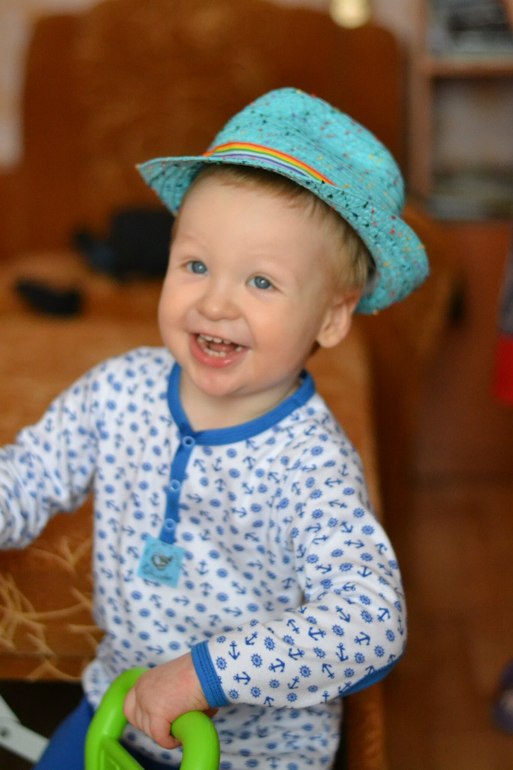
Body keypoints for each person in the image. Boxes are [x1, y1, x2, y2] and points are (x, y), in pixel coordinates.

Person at [0, 87, 428, 770]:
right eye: (195, 265)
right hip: (113, 715)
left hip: (257, 755)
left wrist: (205, 674)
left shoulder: (310, 464)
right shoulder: (118, 390)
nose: (216, 302)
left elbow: (369, 622)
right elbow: (27, 476)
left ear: (330, 318)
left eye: (261, 282)